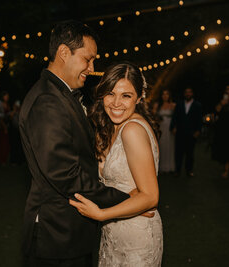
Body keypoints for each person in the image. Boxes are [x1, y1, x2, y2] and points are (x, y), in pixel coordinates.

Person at [19, 20, 132, 266]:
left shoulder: (60, 95)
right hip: (57, 237)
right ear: (63, 52)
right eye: (87, 59)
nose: (92, 67)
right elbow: (66, 175)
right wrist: (126, 201)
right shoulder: (47, 101)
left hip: (69, 233)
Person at [69, 62, 163, 266]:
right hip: (115, 232)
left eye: (126, 95)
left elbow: (150, 196)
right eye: (110, 94)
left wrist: (101, 214)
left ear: (139, 97)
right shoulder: (113, 127)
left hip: (136, 238)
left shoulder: (132, 130)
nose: (116, 103)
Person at [170, 87, 202, 177]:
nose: (188, 94)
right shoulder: (179, 104)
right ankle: (177, 170)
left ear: (192, 94)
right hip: (180, 132)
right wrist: (173, 127)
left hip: (191, 133)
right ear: (184, 94)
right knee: (178, 153)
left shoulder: (197, 105)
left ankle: (189, 170)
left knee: (190, 153)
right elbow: (175, 117)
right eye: (186, 92)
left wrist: (198, 131)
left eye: (189, 92)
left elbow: (199, 119)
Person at [152, 89, 176, 174]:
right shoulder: (157, 105)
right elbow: (153, 116)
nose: (165, 96)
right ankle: (160, 167)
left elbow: (176, 118)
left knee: (170, 146)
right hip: (161, 127)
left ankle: (169, 167)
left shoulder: (173, 105)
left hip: (170, 128)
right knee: (161, 146)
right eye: (163, 94)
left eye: (167, 94)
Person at [8, 100, 24, 165]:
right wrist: (14, 110)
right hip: (13, 131)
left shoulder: (20, 112)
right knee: (13, 146)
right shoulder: (11, 112)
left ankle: (20, 160)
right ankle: (13, 161)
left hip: (19, 130)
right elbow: (10, 117)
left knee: (20, 146)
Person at [0, 91, 11, 166]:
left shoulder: (7, 104)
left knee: (6, 144)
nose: (7, 97)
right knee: (2, 143)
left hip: (7, 125)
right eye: (6, 96)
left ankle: (5, 159)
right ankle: (1, 160)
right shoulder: (1, 104)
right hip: (2, 126)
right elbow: (1, 118)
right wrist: (4, 127)